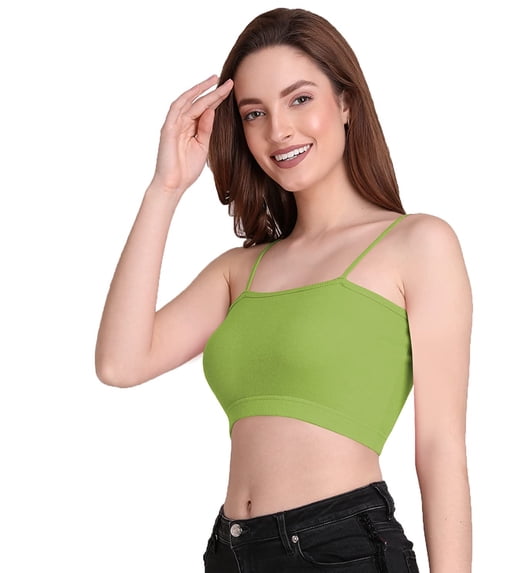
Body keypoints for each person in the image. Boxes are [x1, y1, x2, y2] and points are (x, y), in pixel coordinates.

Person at [95, 7, 472, 573]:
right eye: (255, 113)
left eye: (299, 99)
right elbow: (119, 363)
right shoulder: (239, 271)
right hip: (230, 550)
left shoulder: (417, 244)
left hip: (342, 547)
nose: (278, 130)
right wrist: (165, 187)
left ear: (345, 103)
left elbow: (441, 447)